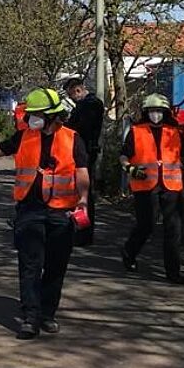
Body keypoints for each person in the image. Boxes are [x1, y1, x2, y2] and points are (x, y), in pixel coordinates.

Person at [0, 87, 89, 339]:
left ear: (52, 115)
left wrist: (83, 200)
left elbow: (81, 173)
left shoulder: (72, 138)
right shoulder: (24, 136)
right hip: (30, 210)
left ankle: (47, 314)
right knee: (30, 265)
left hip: (62, 212)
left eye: (37, 114)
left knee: (56, 267)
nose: (31, 118)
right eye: (31, 114)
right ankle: (30, 318)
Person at [120, 94, 184, 284]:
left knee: (173, 229)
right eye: (152, 111)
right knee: (146, 226)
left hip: (171, 186)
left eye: (159, 111)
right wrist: (129, 168)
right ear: (146, 112)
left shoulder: (174, 132)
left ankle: (173, 272)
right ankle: (129, 251)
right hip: (145, 185)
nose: (155, 114)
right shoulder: (136, 131)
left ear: (165, 113)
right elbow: (124, 155)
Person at [65, 77, 104, 245]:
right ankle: (80, 230)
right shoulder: (88, 104)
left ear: (78, 90)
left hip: (85, 152)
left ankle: (83, 232)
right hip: (84, 150)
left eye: (71, 95)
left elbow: (80, 128)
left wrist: (66, 125)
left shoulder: (90, 105)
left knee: (83, 192)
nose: (72, 99)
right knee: (81, 192)